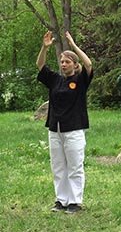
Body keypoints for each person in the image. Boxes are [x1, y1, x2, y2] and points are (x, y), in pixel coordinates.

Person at [36, 30, 93, 214]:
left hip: (74, 129)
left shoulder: (80, 80)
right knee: (58, 166)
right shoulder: (55, 80)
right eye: (61, 61)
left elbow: (89, 64)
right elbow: (40, 65)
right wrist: (44, 48)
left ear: (74, 64)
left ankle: (75, 202)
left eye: (67, 61)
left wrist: (74, 46)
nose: (63, 64)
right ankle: (61, 200)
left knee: (75, 166)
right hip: (55, 129)